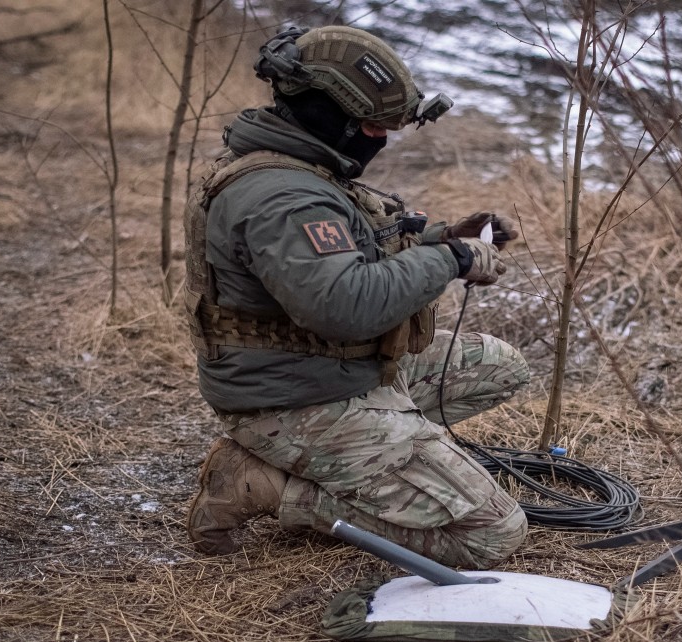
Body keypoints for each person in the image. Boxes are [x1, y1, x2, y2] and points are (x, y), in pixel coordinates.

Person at [182, 25, 530, 569]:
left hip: (332, 371)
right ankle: (269, 486)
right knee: (491, 533)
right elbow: (345, 305)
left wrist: (444, 237)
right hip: (291, 398)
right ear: (328, 112)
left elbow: (354, 252)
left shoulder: (302, 166)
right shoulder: (284, 197)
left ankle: (374, 456)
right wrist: (451, 260)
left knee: (500, 366)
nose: (380, 139)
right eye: (370, 125)